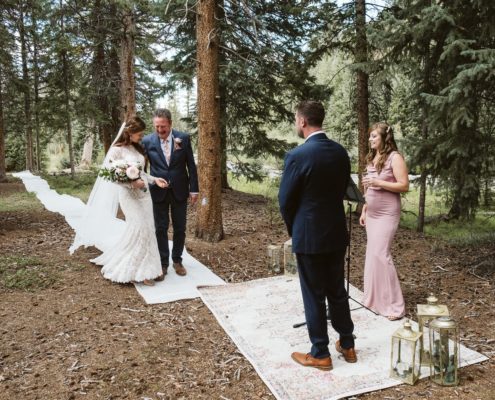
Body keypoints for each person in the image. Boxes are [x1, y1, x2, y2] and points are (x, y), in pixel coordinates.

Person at [278, 100, 356, 371]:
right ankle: (347, 344)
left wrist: (294, 229)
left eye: (295, 120)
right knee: (336, 290)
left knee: (313, 294)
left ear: (302, 121)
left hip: (309, 234)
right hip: (335, 231)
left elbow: (285, 201)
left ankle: (320, 352)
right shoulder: (340, 152)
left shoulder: (297, 156)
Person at [90, 116, 169, 286]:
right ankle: (138, 271)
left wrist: (155, 180)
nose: (141, 136)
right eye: (139, 133)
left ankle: (148, 268)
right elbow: (111, 176)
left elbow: (142, 174)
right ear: (129, 132)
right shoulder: (116, 150)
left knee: (148, 230)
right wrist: (131, 183)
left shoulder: (137, 149)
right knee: (139, 228)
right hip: (129, 197)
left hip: (144, 196)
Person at [359, 122, 409, 321]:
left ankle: (395, 307)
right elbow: (368, 188)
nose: (370, 140)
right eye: (370, 136)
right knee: (372, 256)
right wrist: (364, 209)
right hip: (371, 213)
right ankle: (373, 300)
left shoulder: (395, 157)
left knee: (382, 255)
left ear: (384, 138)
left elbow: (404, 185)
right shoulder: (373, 157)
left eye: (373, 136)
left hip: (387, 213)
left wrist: (378, 182)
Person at [141, 108, 199, 279]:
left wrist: (194, 189)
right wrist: (144, 184)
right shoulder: (147, 141)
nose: (160, 130)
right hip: (157, 191)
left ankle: (177, 260)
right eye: (157, 127)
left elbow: (191, 166)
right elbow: (142, 167)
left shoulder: (184, 138)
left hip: (180, 190)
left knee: (180, 228)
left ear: (170, 124)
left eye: (163, 127)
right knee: (160, 228)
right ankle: (163, 263)